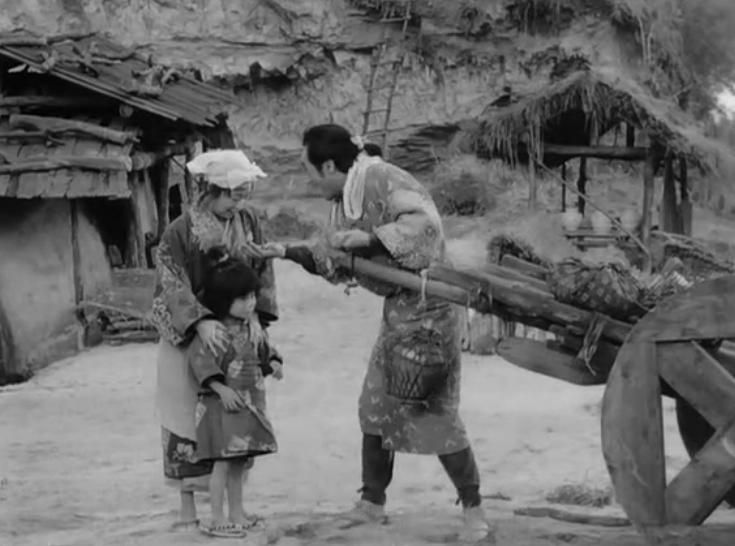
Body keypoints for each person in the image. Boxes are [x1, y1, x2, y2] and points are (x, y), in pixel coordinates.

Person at [254, 125, 491, 542]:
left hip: (429, 311)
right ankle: (371, 504)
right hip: (399, 311)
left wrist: (369, 238)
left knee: (434, 414)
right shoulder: (346, 198)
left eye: (312, 172)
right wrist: (286, 251)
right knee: (375, 407)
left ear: (329, 165)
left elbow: (426, 226)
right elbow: (333, 252)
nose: (311, 183)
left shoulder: (383, 179)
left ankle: (474, 510)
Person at [150, 149, 280, 530]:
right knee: (184, 416)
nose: (237, 204)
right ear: (209, 190)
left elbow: (260, 271)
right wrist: (200, 321)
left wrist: (255, 314)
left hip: (237, 332)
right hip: (189, 333)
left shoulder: (249, 221)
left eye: (242, 196)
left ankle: (232, 509)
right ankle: (189, 505)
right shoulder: (180, 230)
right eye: (231, 195)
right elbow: (170, 283)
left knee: (237, 415)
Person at [189, 247, 282, 538]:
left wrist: (275, 362)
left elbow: (267, 352)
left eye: (252, 297)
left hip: (248, 405)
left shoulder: (251, 329)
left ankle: (237, 512)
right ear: (223, 300)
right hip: (222, 408)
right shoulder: (214, 333)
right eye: (242, 299)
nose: (250, 303)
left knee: (239, 462)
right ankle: (217, 517)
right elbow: (199, 362)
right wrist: (220, 388)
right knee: (222, 462)